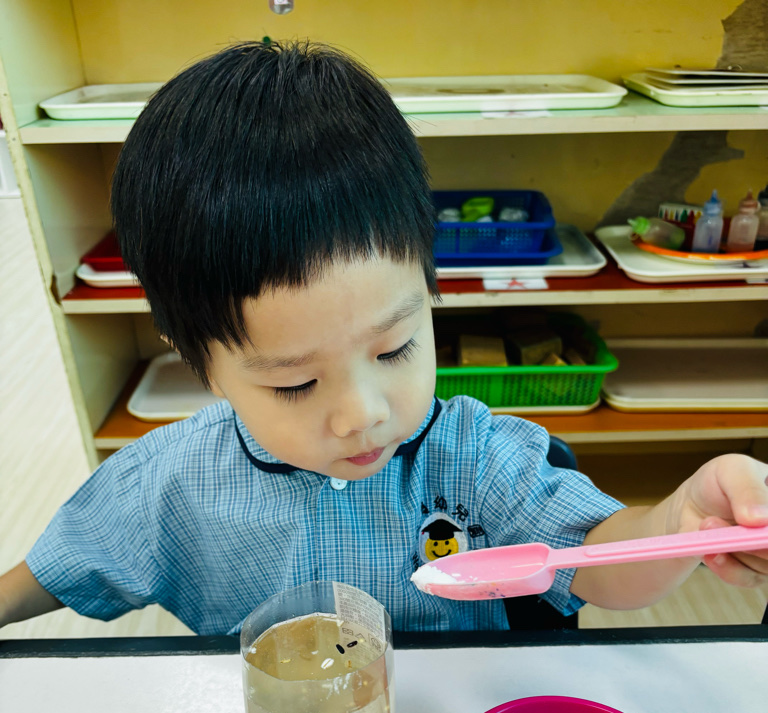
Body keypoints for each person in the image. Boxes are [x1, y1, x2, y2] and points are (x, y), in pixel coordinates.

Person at [0, 40, 766, 636]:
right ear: (196, 358)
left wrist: (681, 520)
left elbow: (601, 563)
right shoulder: (168, 484)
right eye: (295, 383)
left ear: (430, 292)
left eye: (394, 349)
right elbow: (63, 566)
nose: (363, 413)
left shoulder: (477, 460)